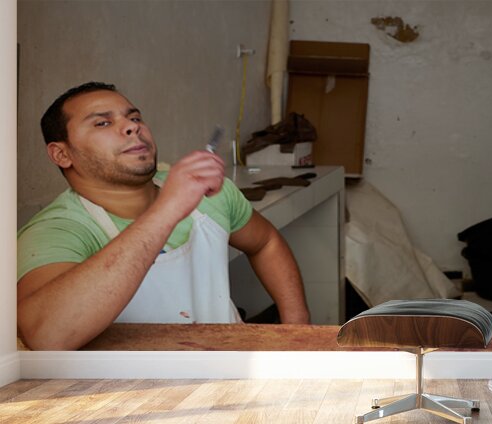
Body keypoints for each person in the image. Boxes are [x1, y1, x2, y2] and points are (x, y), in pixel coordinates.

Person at [17, 82, 310, 350]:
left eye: (134, 118)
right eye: (103, 122)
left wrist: (297, 328)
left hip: (232, 369)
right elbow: (45, 335)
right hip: (146, 399)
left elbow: (266, 242)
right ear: (61, 154)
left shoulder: (205, 192)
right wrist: (168, 208)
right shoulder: (55, 231)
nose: (132, 128)